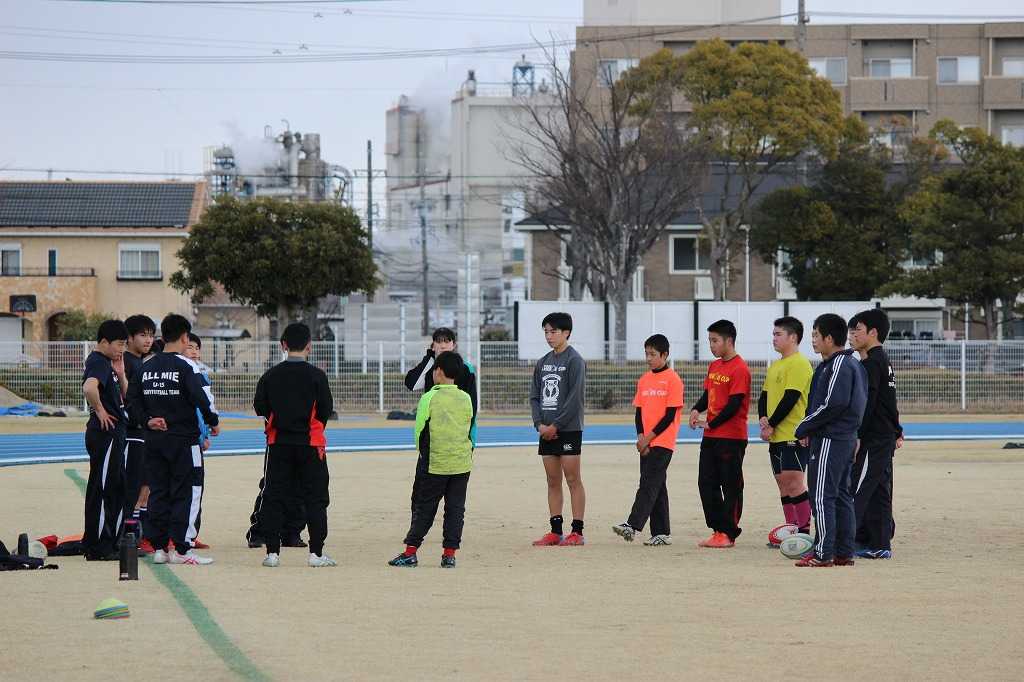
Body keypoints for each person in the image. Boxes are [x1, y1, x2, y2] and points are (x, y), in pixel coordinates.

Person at [127, 314, 220, 566]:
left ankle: (159, 548)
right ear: (184, 337)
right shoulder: (187, 366)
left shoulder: (145, 367)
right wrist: (213, 421)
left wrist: (147, 421)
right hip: (183, 440)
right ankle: (182, 548)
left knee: (158, 491)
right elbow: (202, 398)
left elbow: (132, 401)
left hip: (154, 440)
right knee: (188, 491)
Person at [253, 323, 336, 568]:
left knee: (274, 496)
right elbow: (325, 409)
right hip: (311, 444)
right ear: (309, 346)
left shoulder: (270, 375)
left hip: (279, 443)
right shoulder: (317, 376)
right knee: (315, 498)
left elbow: (260, 406)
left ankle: (272, 553)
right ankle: (316, 553)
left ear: (283, 345)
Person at [794, 313, 867, 568]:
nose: (812, 340)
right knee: (841, 495)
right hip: (843, 438)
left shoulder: (838, 365)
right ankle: (843, 552)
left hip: (831, 438)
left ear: (829, 338)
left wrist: (804, 426)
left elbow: (832, 404)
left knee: (822, 496)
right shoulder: (848, 364)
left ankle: (823, 553)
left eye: (816, 335)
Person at [389, 351, 475, 568]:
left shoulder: (429, 397)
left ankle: (410, 552)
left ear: (438, 371)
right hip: (461, 463)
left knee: (425, 508)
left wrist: (423, 453)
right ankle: (449, 555)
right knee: (455, 509)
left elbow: (419, 430)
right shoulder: (466, 397)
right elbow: (469, 426)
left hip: (435, 462)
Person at [612, 334, 684, 546]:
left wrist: (649, 438)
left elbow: (669, 416)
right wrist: (641, 437)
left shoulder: (673, 380)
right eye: (646, 354)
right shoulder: (644, 380)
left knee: (648, 483)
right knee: (657, 485)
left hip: (663, 441)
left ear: (665, 354)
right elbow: (639, 413)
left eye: (652, 354)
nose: (648, 358)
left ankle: (632, 525)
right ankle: (662, 533)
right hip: (646, 442)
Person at [689, 319, 751, 549]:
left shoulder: (740, 368)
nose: (711, 345)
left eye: (715, 340)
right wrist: (696, 409)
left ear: (729, 341)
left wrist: (711, 423)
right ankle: (717, 530)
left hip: (731, 437)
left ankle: (728, 532)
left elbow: (734, 404)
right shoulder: (714, 366)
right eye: (710, 340)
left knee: (730, 485)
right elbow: (708, 395)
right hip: (711, 437)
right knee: (706, 483)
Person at [847, 308, 903, 560]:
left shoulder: (871, 363)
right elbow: (889, 401)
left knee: (857, 488)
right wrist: (897, 429)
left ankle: (842, 541)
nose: (852, 335)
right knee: (879, 489)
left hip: (872, 438)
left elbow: (867, 404)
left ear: (873, 332)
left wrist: (857, 435)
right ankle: (880, 543)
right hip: (884, 436)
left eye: (857, 330)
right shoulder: (883, 360)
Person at [529, 312, 587, 546]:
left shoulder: (575, 360)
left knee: (573, 479)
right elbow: (534, 396)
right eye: (546, 331)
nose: (549, 336)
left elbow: (575, 399)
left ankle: (577, 532)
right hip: (546, 431)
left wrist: (556, 425)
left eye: (553, 331)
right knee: (552, 481)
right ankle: (555, 531)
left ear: (566, 333)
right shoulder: (543, 362)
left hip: (568, 430)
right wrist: (539, 424)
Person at [757, 316, 814, 543]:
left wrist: (771, 424)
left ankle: (804, 533)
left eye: (778, 334)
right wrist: (763, 418)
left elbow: (791, 398)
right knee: (783, 484)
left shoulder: (799, 363)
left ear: (793, 337)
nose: (774, 338)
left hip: (793, 434)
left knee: (794, 482)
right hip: (776, 436)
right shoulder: (776, 365)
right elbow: (764, 396)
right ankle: (791, 529)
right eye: (773, 334)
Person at [81, 319, 130, 561]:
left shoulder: (109, 365)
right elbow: (89, 388)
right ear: (104, 342)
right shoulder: (99, 361)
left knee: (116, 487)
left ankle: (105, 541)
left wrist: (120, 374)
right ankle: (99, 546)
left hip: (114, 433)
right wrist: (100, 410)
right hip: (105, 433)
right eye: (119, 344)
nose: (122, 349)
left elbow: (126, 396)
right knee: (103, 488)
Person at [404, 327, 478, 443]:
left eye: (447, 341)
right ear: (433, 345)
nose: (443, 346)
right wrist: (429, 357)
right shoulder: (430, 367)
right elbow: (411, 384)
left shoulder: (466, 368)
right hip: (433, 433)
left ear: (454, 345)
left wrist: (468, 436)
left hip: (459, 432)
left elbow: (472, 405)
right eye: (438, 342)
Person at [122, 314, 155, 553]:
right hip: (132, 434)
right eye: (142, 335)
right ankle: (129, 535)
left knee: (146, 484)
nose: (148, 340)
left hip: (144, 432)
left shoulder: (142, 363)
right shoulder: (126, 362)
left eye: (151, 335)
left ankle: (140, 534)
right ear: (129, 338)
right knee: (133, 487)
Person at [183, 332, 213, 550]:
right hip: (185, 439)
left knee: (196, 488)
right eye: (190, 347)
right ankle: (183, 536)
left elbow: (204, 410)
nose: (194, 352)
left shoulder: (202, 376)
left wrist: (206, 435)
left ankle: (191, 534)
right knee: (187, 488)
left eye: (197, 348)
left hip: (197, 438)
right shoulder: (183, 375)